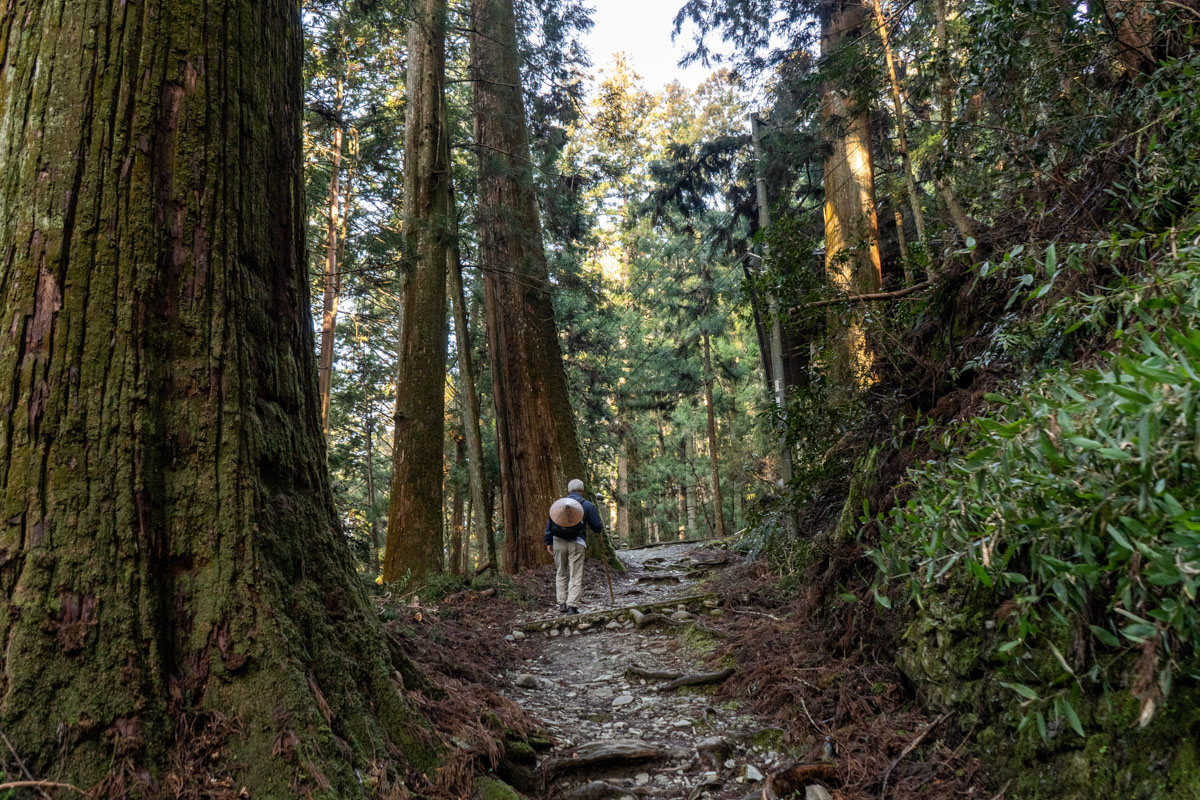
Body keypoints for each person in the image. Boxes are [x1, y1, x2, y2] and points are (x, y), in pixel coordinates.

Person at [544, 478, 603, 614]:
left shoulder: (558, 505)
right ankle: (572, 605)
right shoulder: (587, 505)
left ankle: (562, 603)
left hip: (558, 541)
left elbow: (549, 524)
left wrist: (548, 542)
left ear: (569, 491)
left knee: (561, 572)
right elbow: (596, 526)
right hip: (577, 542)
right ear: (582, 490)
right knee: (575, 574)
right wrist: (598, 530)